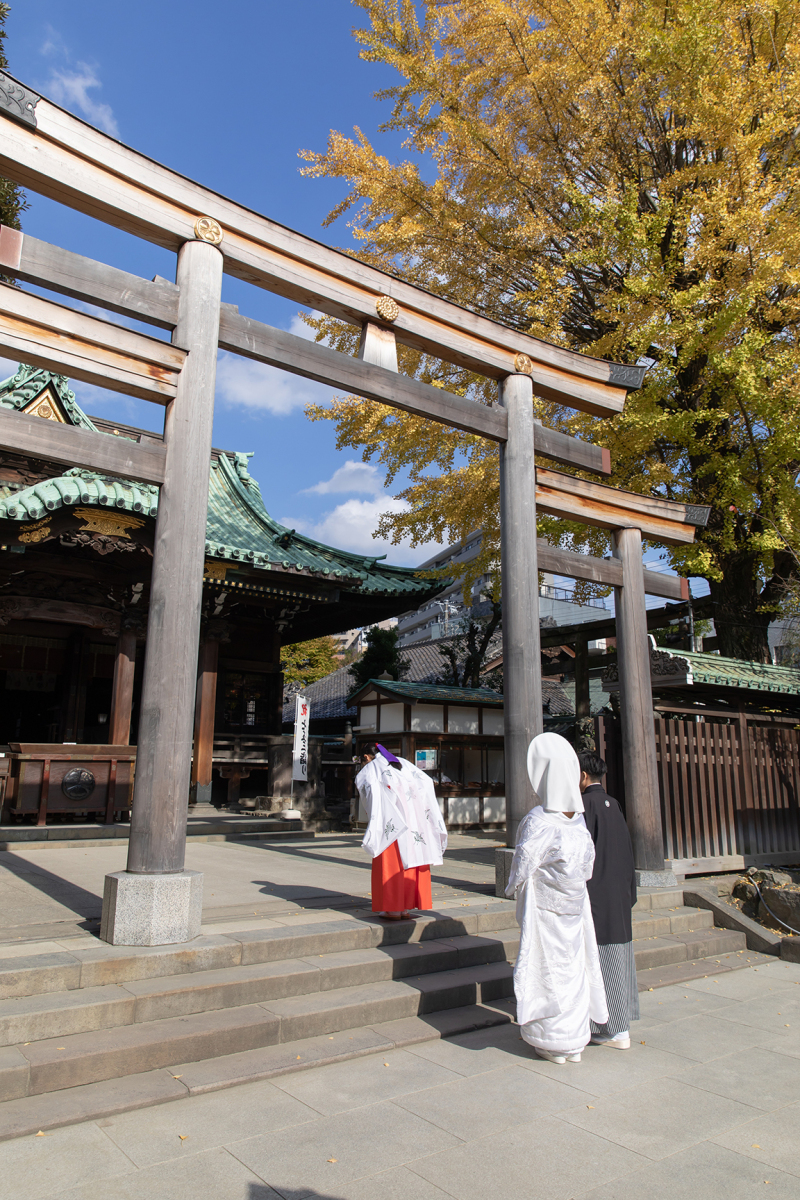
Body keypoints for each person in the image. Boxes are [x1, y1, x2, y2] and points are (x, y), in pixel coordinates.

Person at [506, 732, 608, 1064]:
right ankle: (575, 1040)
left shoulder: (538, 821)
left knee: (547, 970)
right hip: (574, 908)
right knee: (574, 970)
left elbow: (521, 867)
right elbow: (587, 867)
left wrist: (514, 888)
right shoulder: (577, 822)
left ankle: (552, 1040)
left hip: (547, 911)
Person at [578, 751, 639, 1050]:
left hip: (597, 892)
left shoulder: (583, 806)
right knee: (619, 954)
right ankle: (621, 1023)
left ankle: (608, 1027)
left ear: (583, 776)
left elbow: (580, 856)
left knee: (599, 958)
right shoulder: (612, 804)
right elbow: (627, 850)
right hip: (619, 890)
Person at [356, 742, 448, 921]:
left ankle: (392, 909)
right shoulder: (404, 763)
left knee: (391, 865)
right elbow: (427, 782)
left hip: (392, 823)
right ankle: (405, 908)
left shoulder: (372, 768)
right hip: (415, 823)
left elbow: (368, 792)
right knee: (412, 861)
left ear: (366, 757)